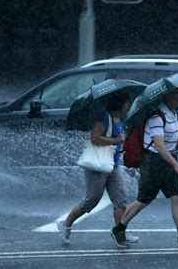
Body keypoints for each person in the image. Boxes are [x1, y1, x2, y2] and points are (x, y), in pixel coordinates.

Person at [110, 89, 178, 248]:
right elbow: (159, 145)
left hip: (168, 159)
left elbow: (169, 144)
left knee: (177, 196)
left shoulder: (173, 114)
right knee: (143, 200)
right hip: (153, 162)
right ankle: (118, 229)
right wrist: (177, 165)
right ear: (166, 96)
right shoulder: (157, 116)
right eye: (175, 95)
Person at [57, 92, 139, 245]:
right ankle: (65, 224)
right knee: (91, 200)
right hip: (98, 166)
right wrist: (116, 139)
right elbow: (94, 138)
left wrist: (120, 144)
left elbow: (118, 141)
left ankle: (120, 232)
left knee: (120, 200)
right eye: (126, 103)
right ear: (119, 104)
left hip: (113, 165)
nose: (128, 105)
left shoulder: (121, 119)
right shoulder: (103, 118)